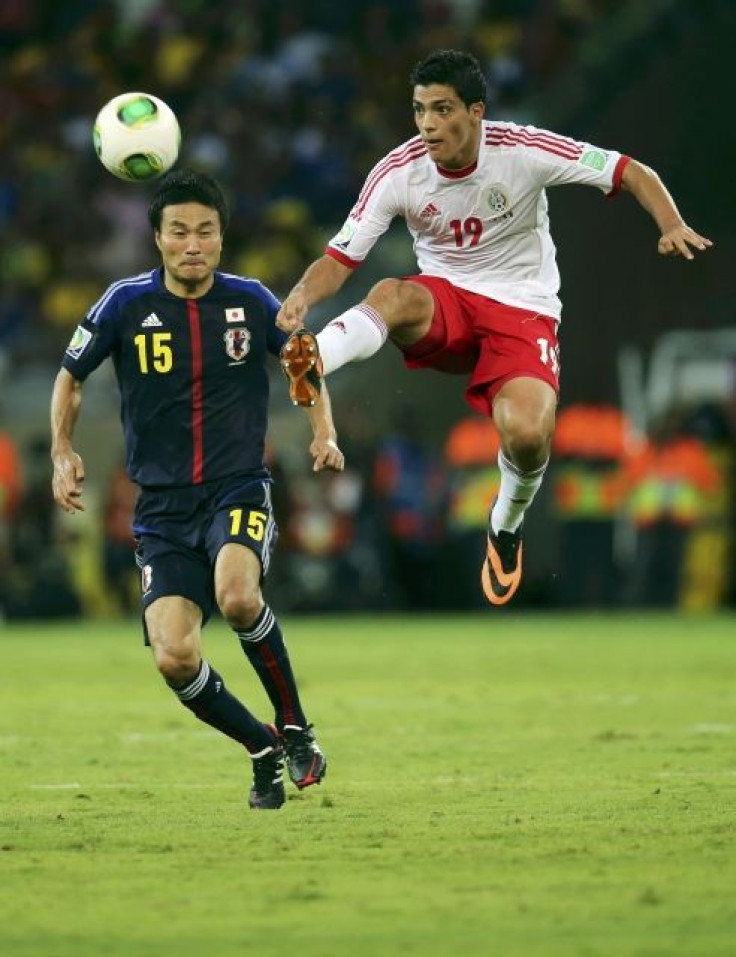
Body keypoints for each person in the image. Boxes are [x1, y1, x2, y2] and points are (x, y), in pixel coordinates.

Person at [276, 48, 712, 606]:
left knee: (528, 435)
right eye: (419, 111)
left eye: (441, 110)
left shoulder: (524, 150)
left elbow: (629, 170)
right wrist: (301, 297)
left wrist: (671, 223)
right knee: (390, 294)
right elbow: (341, 259)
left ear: (476, 111)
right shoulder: (398, 171)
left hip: (522, 308)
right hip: (447, 301)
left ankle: (505, 523)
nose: (428, 125)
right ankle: (314, 357)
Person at [50, 169, 344, 810]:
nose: (193, 244)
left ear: (221, 237)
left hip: (236, 489)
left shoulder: (252, 301)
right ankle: (262, 748)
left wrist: (322, 430)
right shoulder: (124, 303)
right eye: (179, 231)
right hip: (159, 510)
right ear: (156, 237)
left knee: (238, 597)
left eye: (205, 231)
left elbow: (302, 359)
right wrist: (62, 450)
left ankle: (295, 726)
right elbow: (70, 376)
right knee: (174, 656)